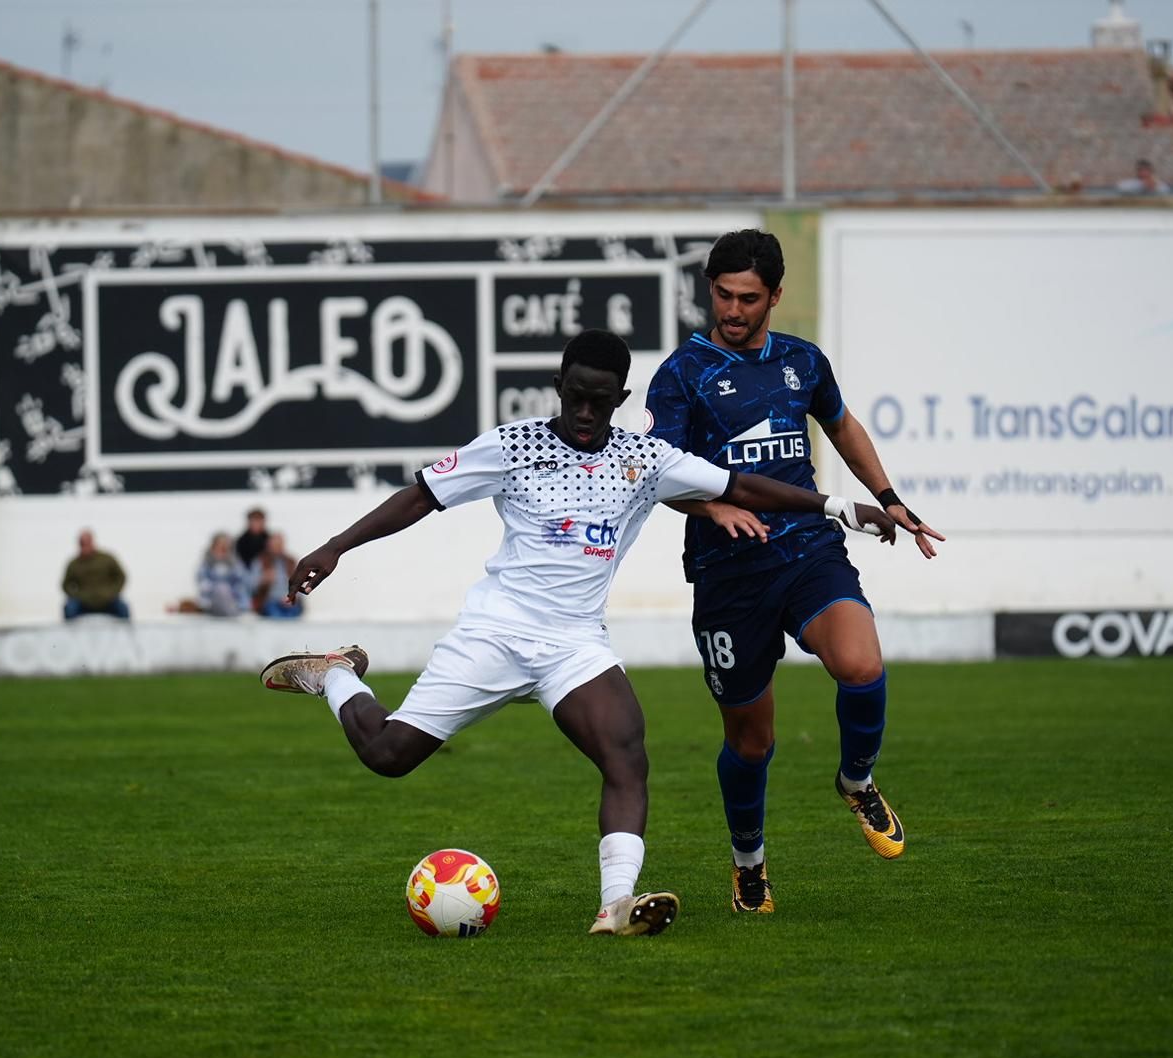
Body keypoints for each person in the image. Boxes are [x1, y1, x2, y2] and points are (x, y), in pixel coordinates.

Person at [261, 329, 898, 936]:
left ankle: (615, 906)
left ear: (620, 400)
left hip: (573, 644)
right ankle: (335, 675)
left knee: (627, 753)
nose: (586, 411)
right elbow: (419, 496)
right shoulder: (512, 445)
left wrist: (837, 505)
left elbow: (740, 484)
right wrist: (337, 546)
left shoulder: (645, 458)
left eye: (601, 400)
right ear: (558, 386)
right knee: (387, 756)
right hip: (496, 632)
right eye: (576, 396)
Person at [644, 228, 945, 915]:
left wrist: (891, 497)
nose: (733, 309)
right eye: (722, 294)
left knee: (861, 664)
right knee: (752, 740)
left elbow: (841, 425)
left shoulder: (802, 361)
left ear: (776, 295)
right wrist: (714, 506)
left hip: (807, 548)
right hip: (728, 573)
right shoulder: (682, 374)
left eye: (748, 297)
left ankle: (857, 779)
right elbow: (656, 473)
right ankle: (749, 862)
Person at [61, 529, 130, 620]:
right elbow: (65, 584)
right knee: (69, 608)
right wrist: (77, 595)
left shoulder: (107, 559)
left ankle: (125, 632)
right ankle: (70, 633)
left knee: (123, 608)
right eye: (82, 543)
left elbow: (121, 576)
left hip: (107, 601)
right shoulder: (74, 564)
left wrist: (112, 593)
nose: (85, 546)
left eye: (87, 543)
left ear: (92, 542)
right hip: (83, 602)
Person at [197, 532, 255, 617]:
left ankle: (233, 613)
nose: (222, 550)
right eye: (220, 546)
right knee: (222, 589)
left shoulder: (235, 564)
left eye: (225, 547)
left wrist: (242, 603)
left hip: (233, 601)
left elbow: (242, 584)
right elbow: (203, 584)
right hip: (213, 602)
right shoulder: (207, 564)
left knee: (225, 590)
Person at [254, 533, 303, 619]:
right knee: (275, 616)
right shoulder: (261, 561)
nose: (277, 547)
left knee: (292, 616)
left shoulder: (291, 562)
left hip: (289, 601)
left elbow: (300, 584)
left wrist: (293, 598)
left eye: (279, 545)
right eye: (275, 545)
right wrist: (263, 580)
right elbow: (251, 585)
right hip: (270, 601)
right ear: (269, 545)